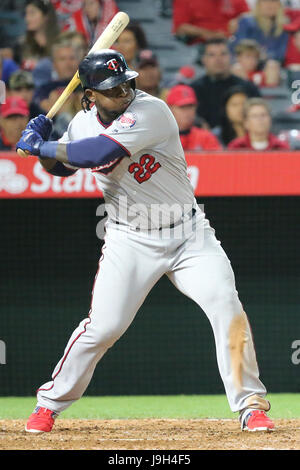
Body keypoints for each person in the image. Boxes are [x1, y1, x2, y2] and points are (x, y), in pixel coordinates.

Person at [16, 49, 274, 434]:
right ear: (89, 96)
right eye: (111, 89)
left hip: (188, 235)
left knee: (227, 307)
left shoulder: (151, 111)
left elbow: (98, 152)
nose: (123, 92)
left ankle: (250, 405)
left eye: (125, 83)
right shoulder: (82, 125)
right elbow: (63, 168)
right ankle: (49, 403)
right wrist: (42, 143)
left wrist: (42, 146)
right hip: (129, 238)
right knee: (103, 327)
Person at [191, 38, 261, 129]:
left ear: (231, 57)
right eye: (212, 55)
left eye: (223, 54)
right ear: (204, 59)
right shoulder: (194, 89)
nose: (218, 59)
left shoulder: (248, 88)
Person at [166, 84, 222, 151]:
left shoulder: (206, 137)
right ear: (170, 109)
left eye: (190, 106)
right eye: (182, 107)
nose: (188, 111)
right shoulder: (159, 139)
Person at [172, 0, 249, 45]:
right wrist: (208, 34)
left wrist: (239, 20)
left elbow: (249, 15)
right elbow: (180, 28)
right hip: (200, 45)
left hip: (232, 43)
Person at [21, 0, 60, 71]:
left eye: (32, 13)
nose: (27, 19)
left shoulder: (60, 43)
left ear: (46, 16)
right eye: (26, 14)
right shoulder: (21, 44)